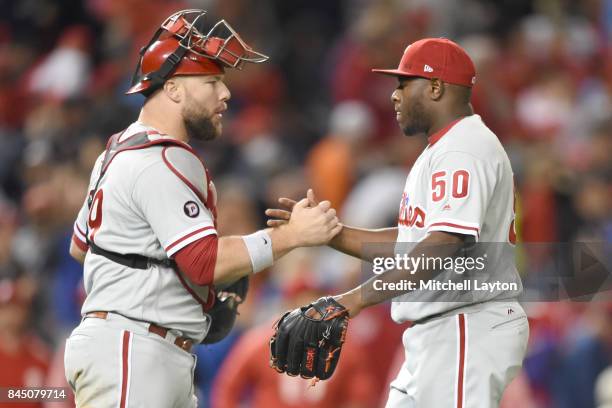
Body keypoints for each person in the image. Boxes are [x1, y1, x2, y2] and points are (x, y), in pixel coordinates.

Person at [64, 9, 340, 408]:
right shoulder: (160, 159)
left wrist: (170, 283)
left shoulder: (117, 150)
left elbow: (81, 248)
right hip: (134, 349)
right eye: (211, 82)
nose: (225, 94)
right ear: (173, 88)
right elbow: (204, 263)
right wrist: (292, 235)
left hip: (139, 346)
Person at [267, 38, 529, 407]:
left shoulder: (463, 149)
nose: (394, 95)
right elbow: (413, 241)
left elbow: (442, 245)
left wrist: (352, 300)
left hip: (466, 324)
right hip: (440, 330)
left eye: (404, 83)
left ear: (436, 87)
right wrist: (330, 234)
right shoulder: (443, 149)